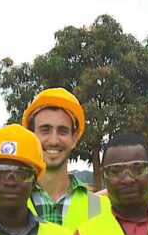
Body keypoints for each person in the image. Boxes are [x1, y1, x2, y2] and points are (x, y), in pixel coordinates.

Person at [27, 87, 104, 227]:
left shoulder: (99, 207)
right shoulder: (6, 200)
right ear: (31, 137)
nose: (54, 140)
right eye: (45, 130)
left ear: (74, 139)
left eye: (62, 131)